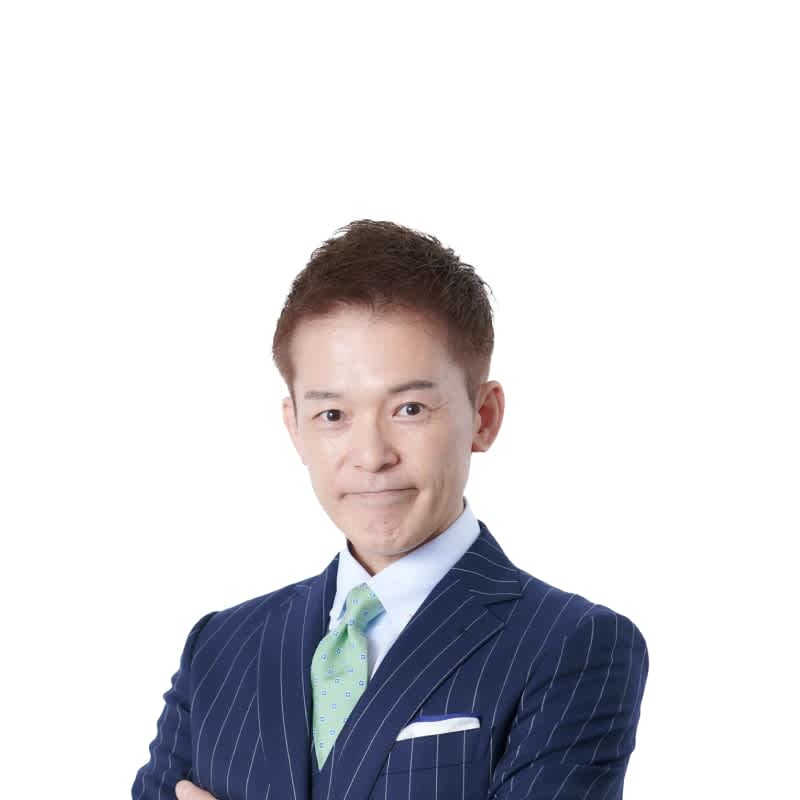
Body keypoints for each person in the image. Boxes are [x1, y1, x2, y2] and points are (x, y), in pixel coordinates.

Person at [131, 219, 649, 800]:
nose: (372, 456)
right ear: (295, 428)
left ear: (483, 417)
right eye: (332, 415)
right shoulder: (220, 647)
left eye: (410, 409)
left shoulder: (572, 645)